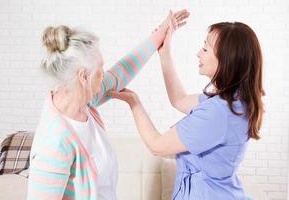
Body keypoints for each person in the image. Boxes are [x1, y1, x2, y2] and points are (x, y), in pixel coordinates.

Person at [26, 10, 189, 200]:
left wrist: (161, 33)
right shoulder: (54, 143)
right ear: (83, 77)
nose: (105, 75)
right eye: (100, 70)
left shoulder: (83, 102)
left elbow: (121, 72)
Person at [108, 12, 265, 200]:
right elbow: (179, 99)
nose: (199, 53)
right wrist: (165, 53)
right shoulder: (234, 102)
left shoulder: (217, 112)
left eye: (205, 49)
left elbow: (157, 146)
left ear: (226, 60)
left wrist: (133, 102)